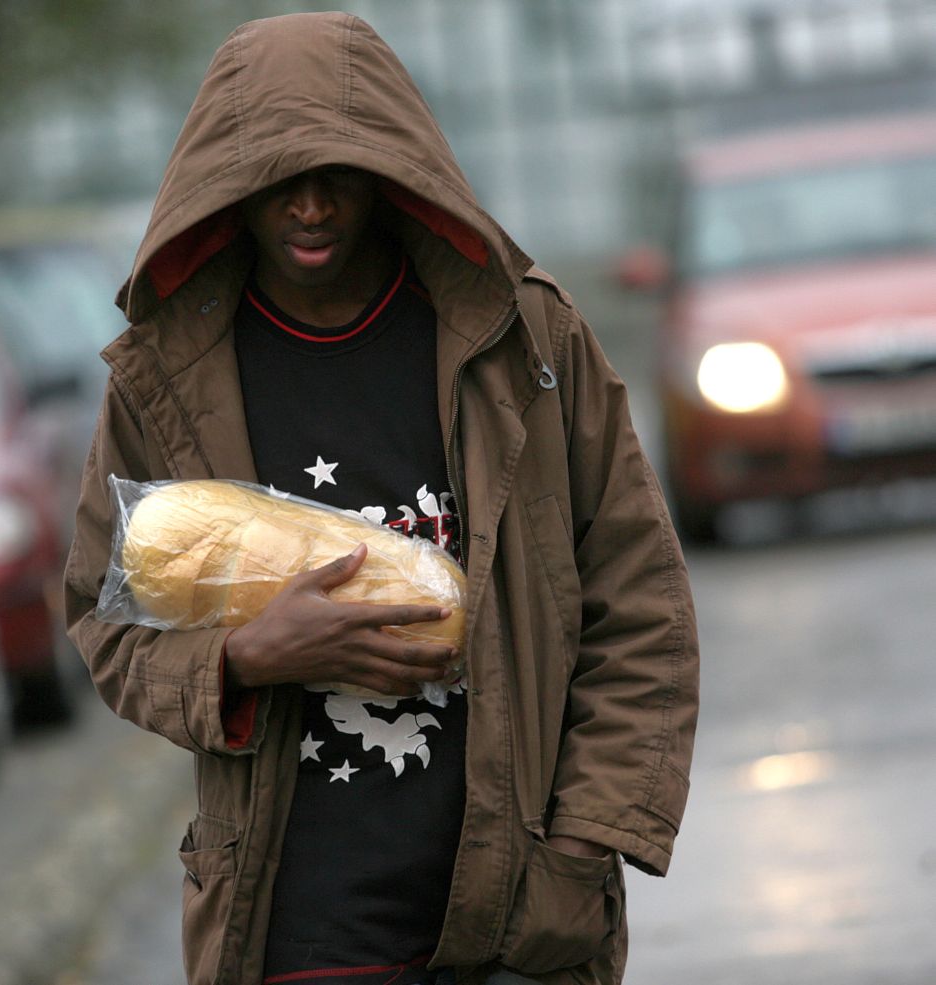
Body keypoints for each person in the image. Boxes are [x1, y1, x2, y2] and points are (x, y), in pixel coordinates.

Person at [63, 12, 699, 985]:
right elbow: (103, 618)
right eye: (279, 181)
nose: (311, 208)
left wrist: (585, 842)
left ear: (394, 171)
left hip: (515, 915)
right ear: (227, 186)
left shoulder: (522, 340)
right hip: (297, 925)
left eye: (339, 175)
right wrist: (242, 659)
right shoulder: (171, 377)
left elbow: (639, 600)